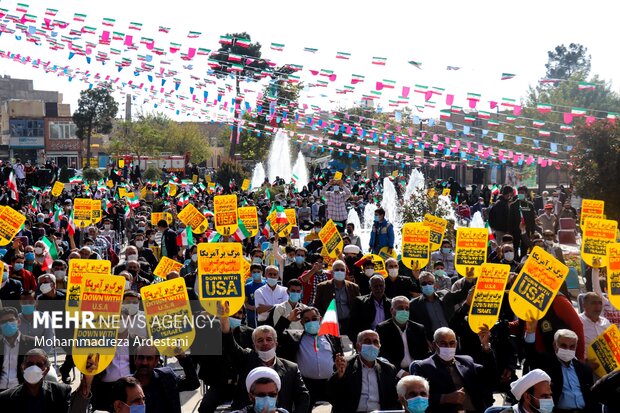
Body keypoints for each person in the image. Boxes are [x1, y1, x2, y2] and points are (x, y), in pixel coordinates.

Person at [218, 311, 310, 412]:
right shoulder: (246, 359)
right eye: (260, 340)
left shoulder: (291, 368)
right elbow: (231, 347)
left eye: (269, 339)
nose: (265, 343)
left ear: (276, 343)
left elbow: (303, 396)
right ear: (254, 346)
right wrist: (224, 323)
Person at [410, 327, 496, 413]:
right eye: (443, 343)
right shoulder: (423, 367)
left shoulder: (466, 361)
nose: (448, 347)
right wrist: (445, 398)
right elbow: (417, 398)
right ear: (434, 344)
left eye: (452, 343)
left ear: (456, 344)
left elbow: (490, 376)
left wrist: (485, 346)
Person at [274, 307, 338, 409]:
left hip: (330, 383)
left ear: (320, 319)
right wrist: (288, 319)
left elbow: (339, 356)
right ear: (302, 322)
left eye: (314, 318)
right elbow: (274, 335)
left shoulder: (332, 337)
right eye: (307, 320)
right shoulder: (294, 337)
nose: (311, 322)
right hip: (307, 384)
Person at [327, 329, 400, 412]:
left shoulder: (388, 370)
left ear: (379, 347)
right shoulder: (345, 366)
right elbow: (331, 395)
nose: (372, 345)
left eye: (375, 342)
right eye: (367, 341)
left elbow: (393, 400)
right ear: (358, 347)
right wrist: (339, 376)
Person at [0, 348, 93, 412]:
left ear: (46, 370)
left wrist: (88, 378)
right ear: (22, 367)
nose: (34, 368)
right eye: (30, 364)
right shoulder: (7, 397)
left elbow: (76, 408)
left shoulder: (61, 392)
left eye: (39, 364)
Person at [525, 329, 595, 412]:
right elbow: (530, 354)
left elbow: (590, 395)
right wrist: (530, 331)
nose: (568, 349)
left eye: (572, 346)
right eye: (563, 345)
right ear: (555, 345)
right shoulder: (545, 363)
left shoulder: (584, 369)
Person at [133, 344, 200, 413]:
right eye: (141, 358)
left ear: (156, 361)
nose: (144, 362)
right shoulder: (127, 385)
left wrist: (183, 358)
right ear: (135, 359)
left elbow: (193, 384)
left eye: (149, 358)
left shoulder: (166, 377)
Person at [376, 296, 430, 377]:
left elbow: (425, 353)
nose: (404, 311)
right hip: (394, 372)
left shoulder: (418, 328)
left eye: (407, 309)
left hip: (418, 370)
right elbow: (383, 356)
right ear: (391, 310)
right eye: (400, 308)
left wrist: (421, 369)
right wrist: (400, 373)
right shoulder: (382, 329)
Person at [409, 272, 471, 341]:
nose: (427, 285)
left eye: (430, 282)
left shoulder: (445, 294)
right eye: (424, 283)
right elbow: (414, 327)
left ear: (435, 284)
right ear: (420, 285)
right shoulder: (414, 304)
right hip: (433, 341)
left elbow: (463, 294)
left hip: (452, 336)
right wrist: (425, 340)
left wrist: (468, 280)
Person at [313, 259, 360, 340]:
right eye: (337, 270)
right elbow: (317, 307)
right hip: (330, 324)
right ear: (332, 272)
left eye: (342, 270)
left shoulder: (354, 287)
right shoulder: (322, 287)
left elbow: (358, 306)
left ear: (345, 272)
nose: (339, 271)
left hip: (349, 324)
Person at [0, 307, 36, 391]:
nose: (8, 324)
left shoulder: (32, 343)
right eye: (3, 322)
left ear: (18, 321)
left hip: (22, 389)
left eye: (11, 320)